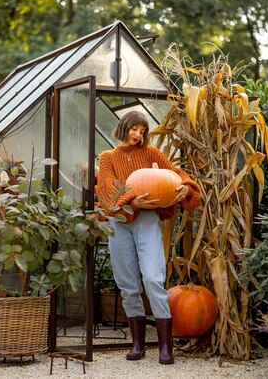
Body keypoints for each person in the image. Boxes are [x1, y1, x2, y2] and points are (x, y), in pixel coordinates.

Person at [95, 110, 202, 364]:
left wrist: (186, 186)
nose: (138, 135)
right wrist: (132, 200)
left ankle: (166, 347)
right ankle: (138, 345)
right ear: (124, 127)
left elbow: (175, 174)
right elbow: (108, 187)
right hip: (119, 222)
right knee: (128, 285)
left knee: (153, 278)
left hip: (147, 221)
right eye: (134, 129)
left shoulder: (152, 154)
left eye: (142, 131)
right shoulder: (108, 157)